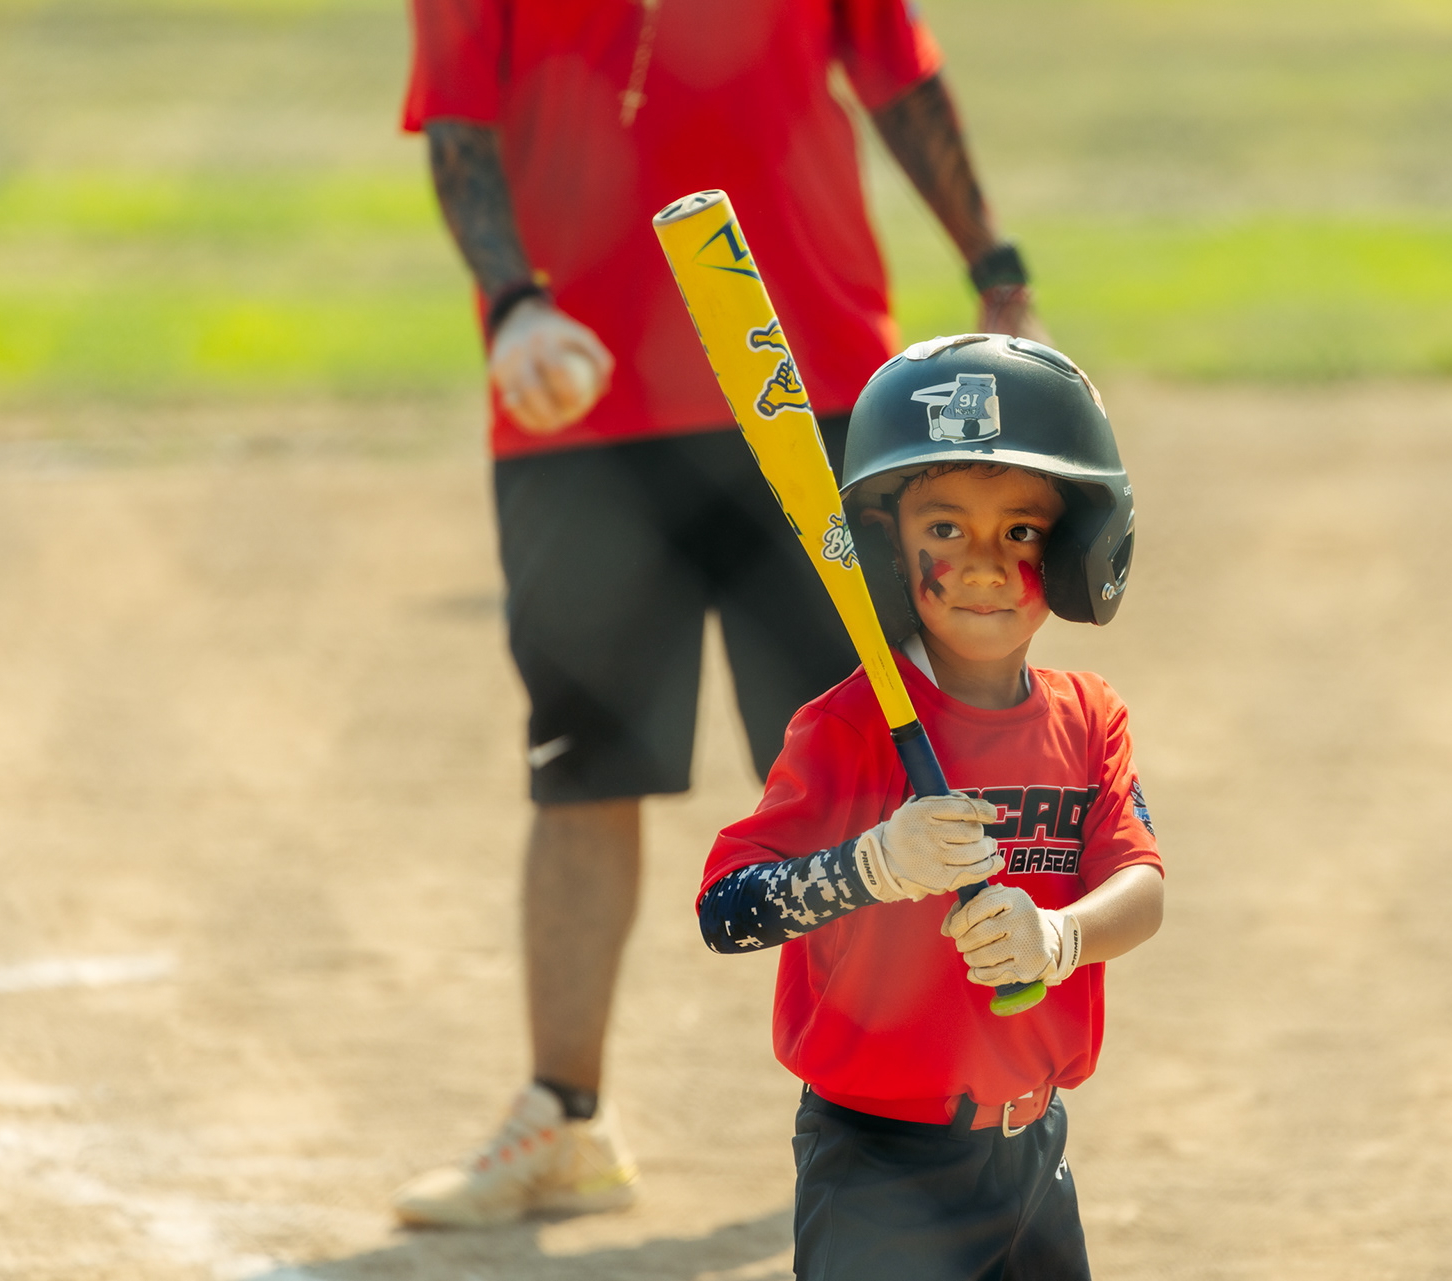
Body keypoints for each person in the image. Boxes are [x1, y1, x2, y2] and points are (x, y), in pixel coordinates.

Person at [391, 0, 1048, 1228]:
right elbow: (459, 127)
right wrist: (514, 302)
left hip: (812, 382)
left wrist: (993, 267)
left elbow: (898, 75)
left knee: (867, 764)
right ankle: (567, 1122)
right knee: (583, 769)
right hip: (580, 401)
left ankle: (933, 1112)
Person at [696, 334, 1162, 1280]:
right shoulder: (846, 728)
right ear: (884, 547)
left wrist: (1058, 938)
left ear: (1076, 547)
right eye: (944, 529)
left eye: (1021, 531)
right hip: (880, 1167)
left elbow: (1141, 888)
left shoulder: (1089, 717)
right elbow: (726, 908)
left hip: (1034, 1150)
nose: (985, 564)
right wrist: (872, 865)